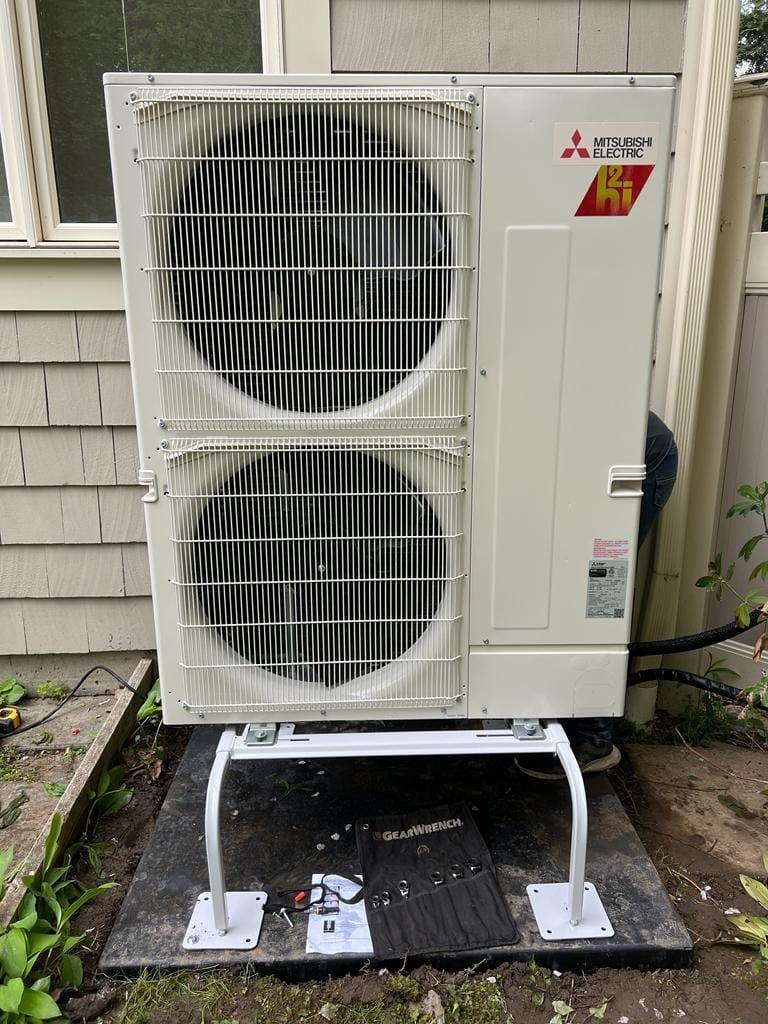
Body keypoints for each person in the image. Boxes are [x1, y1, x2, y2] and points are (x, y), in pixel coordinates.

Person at [516, 411, 678, 780]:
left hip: (636, 467)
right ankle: (559, 713)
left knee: (595, 592)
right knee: (564, 585)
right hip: (594, 463)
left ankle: (594, 740)